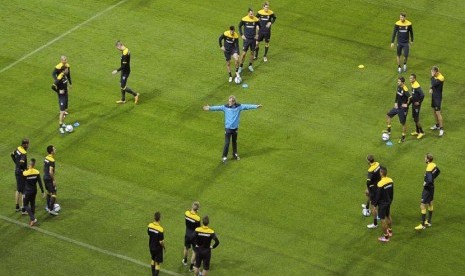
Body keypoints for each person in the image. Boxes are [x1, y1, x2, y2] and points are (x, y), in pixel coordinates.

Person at [203, 95, 262, 162]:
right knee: (227, 143)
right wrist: (209, 108)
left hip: (235, 129)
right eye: (229, 101)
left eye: (231, 101)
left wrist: (256, 106)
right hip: (228, 129)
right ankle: (224, 157)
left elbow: (247, 106)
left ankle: (235, 154)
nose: (229, 102)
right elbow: (217, 108)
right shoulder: (225, 107)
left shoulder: (239, 107)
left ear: (234, 102)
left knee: (234, 142)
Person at [415, 153, 440, 230]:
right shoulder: (433, 165)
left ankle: (422, 224)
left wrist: (425, 183)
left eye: (425, 158)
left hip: (427, 188)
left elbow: (429, 179)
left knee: (422, 205)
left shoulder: (428, 168)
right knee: (430, 203)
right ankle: (429, 221)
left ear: (428, 159)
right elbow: (438, 171)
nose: (424, 159)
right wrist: (432, 178)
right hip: (432, 188)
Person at [384, 76, 411, 143]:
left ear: (402, 82)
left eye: (399, 81)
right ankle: (389, 130)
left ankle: (403, 137)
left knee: (403, 123)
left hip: (403, 109)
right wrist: (395, 102)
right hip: (397, 107)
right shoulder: (399, 87)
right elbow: (397, 95)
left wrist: (407, 105)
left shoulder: (405, 89)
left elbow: (411, 98)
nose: (398, 82)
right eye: (398, 81)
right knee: (388, 116)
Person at [373, 166, 394, 242]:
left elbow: (377, 196)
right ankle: (390, 231)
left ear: (381, 173)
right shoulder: (391, 180)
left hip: (382, 204)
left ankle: (386, 237)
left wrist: (375, 205)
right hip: (388, 202)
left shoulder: (380, 183)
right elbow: (392, 192)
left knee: (382, 220)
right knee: (388, 215)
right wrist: (390, 200)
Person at [23, 158, 45, 227]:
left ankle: (33, 218)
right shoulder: (37, 172)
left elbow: (23, 183)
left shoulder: (25, 173)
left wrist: (23, 192)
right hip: (34, 190)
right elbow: (40, 182)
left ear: (29, 164)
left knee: (25, 204)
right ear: (34, 165)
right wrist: (42, 191)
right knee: (32, 204)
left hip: (27, 191)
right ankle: (32, 220)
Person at [10, 138, 29, 213]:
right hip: (21, 173)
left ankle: (17, 206)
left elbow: (12, 155)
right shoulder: (23, 153)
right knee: (24, 191)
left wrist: (17, 165)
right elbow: (21, 163)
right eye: (27, 144)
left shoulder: (18, 148)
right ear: (25, 144)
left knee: (18, 189)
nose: (28, 146)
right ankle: (24, 209)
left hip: (16, 171)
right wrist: (24, 169)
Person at [362, 155, 381, 229]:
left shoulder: (370, 170)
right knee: (369, 195)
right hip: (379, 184)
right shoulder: (378, 164)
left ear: (368, 161)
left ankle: (375, 223)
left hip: (374, 187)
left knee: (373, 205)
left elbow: (368, 181)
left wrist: (369, 188)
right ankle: (367, 207)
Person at [238, 8, 259, 73]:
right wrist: (242, 35)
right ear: (248, 13)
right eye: (250, 14)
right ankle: (240, 67)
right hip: (246, 39)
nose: (251, 15)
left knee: (252, 53)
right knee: (243, 54)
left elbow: (260, 26)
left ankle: (250, 65)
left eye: (252, 14)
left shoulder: (256, 20)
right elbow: (239, 26)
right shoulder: (244, 19)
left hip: (253, 39)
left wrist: (257, 35)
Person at [182, 201, 201, 272]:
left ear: (192, 207)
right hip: (194, 236)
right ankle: (191, 267)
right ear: (198, 209)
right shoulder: (197, 218)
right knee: (194, 251)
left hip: (187, 233)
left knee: (186, 248)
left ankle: (185, 260)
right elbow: (198, 229)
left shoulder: (186, 213)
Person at [51, 67, 70, 134]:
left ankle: (62, 123)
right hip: (62, 97)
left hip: (66, 95)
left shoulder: (64, 75)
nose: (68, 70)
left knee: (65, 111)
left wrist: (67, 87)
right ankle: (60, 128)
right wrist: (58, 91)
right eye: (67, 69)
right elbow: (52, 86)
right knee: (62, 112)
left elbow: (65, 83)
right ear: (63, 71)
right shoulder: (59, 77)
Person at [148, 211, 165, 276]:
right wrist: (163, 247)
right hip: (158, 249)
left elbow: (149, 234)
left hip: (151, 246)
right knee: (157, 264)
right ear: (159, 218)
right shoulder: (160, 229)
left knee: (153, 259)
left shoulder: (150, 225)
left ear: (154, 218)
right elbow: (161, 241)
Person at [429, 66, 445, 137]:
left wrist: (432, 77)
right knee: (434, 111)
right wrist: (431, 88)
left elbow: (434, 83)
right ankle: (437, 125)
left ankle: (441, 129)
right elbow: (433, 85)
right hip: (433, 96)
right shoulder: (435, 76)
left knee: (438, 112)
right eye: (431, 71)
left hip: (437, 97)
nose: (431, 73)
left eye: (433, 72)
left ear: (436, 72)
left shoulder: (441, 78)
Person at [43, 145, 59, 216]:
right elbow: (50, 171)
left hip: (45, 177)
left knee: (49, 191)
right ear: (51, 151)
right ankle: (51, 209)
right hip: (49, 178)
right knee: (54, 192)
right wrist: (53, 180)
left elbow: (44, 168)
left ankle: (48, 206)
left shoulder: (46, 158)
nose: (55, 150)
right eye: (54, 149)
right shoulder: (52, 160)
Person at [409, 73, 425, 139]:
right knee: (414, 118)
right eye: (409, 78)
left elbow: (422, 95)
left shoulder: (417, 86)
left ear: (414, 79)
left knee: (416, 119)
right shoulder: (413, 84)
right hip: (413, 103)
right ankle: (417, 131)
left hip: (416, 105)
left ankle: (422, 132)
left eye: (411, 78)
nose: (410, 79)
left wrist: (419, 102)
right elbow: (414, 94)